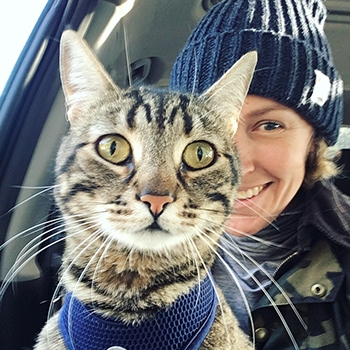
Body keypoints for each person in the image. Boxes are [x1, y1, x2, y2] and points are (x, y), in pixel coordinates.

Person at [170, 0, 350, 349]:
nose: (234, 167)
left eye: (270, 125)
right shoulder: (117, 248)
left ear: (312, 142)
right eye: (205, 133)